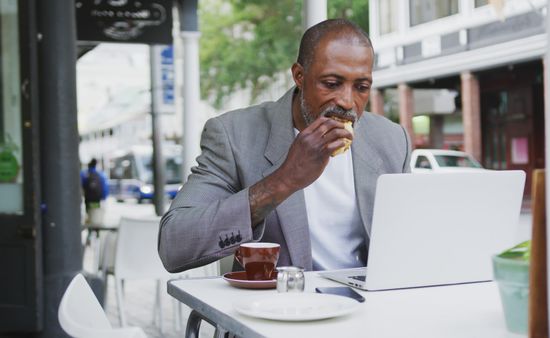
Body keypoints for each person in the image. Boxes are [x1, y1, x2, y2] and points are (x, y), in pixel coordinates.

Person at [158, 19, 411, 273]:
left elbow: (408, 240)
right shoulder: (234, 135)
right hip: (278, 305)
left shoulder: (391, 139)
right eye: (331, 84)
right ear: (299, 76)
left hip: (369, 303)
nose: (347, 101)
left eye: (361, 87)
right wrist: (283, 181)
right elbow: (174, 245)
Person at [81, 158, 109, 224]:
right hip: (98, 201)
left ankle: (90, 229)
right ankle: (96, 231)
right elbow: (105, 191)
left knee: (89, 215)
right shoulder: (101, 174)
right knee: (97, 217)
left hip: (88, 200)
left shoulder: (84, 174)